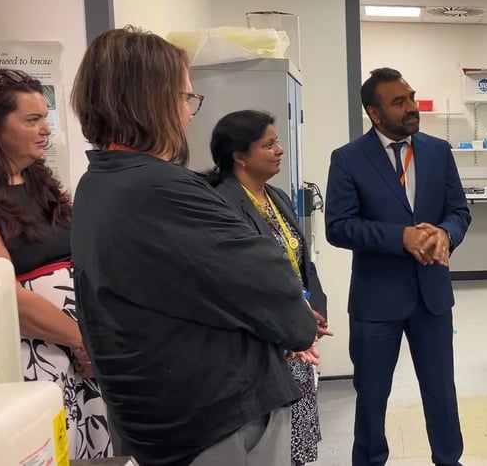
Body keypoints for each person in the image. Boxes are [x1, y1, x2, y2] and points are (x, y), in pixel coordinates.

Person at [68, 26, 318, 466]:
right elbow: (276, 290)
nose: (190, 113)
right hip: (214, 423)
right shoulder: (164, 190)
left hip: (156, 416)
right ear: (152, 101)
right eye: (186, 98)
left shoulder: (98, 183)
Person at [325, 67, 471, 466]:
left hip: (432, 295)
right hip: (377, 299)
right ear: (374, 113)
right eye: (398, 102)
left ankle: (448, 459)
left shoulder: (438, 151)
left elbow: (459, 211)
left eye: (411, 97)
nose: (411, 108)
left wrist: (445, 234)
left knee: (441, 390)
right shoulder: (348, 159)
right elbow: (338, 227)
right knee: (372, 394)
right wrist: (400, 238)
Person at [0, 68, 112, 459]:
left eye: (46, 119)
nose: (46, 130)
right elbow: (4, 295)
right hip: (36, 357)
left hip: (80, 354)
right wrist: (80, 339)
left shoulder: (42, 184)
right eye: (32, 120)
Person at [203, 109, 334, 466]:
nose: (279, 150)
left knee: (299, 435)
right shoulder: (221, 203)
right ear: (239, 156)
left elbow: (303, 263)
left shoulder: (277, 196)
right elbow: (237, 281)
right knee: (270, 443)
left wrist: (314, 313)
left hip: (295, 331)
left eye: (277, 142)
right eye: (268, 144)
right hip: (263, 341)